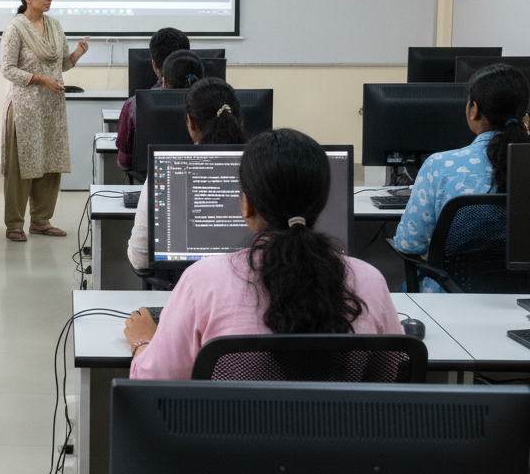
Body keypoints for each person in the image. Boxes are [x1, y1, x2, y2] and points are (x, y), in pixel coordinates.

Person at [124, 128, 402, 378]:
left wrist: (143, 342)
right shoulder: (370, 281)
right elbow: (393, 376)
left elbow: (153, 381)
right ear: (324, 202)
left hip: (232, 435)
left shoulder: (202, 282)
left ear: (246, 205)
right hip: (338, 434)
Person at [393, 62, 530, 292]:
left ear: (474, 109)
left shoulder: (440, 166)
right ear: (524, 115)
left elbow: (409, 243)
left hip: (451, 299)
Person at [1, 0, 90, 241]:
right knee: (22, 164)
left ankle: (41, 220)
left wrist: (77, 54)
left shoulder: (54, 25)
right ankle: (14, 223)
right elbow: (7, 69)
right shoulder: (15, 27)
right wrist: (40, 79)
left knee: (50, 162)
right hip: (25, 105)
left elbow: (61, 64)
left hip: (51, 104)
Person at [127, 77, 247, 271]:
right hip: (253, 289)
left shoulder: (165, 170)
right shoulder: (265, 166)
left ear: (190, 123)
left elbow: (140, 258)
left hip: (183, 290)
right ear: (240, 122)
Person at [116, 28, 193, 171]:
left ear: (154, 65)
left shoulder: (133, 106)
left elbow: (124, 162)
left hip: (150, 186)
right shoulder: (212, 102)